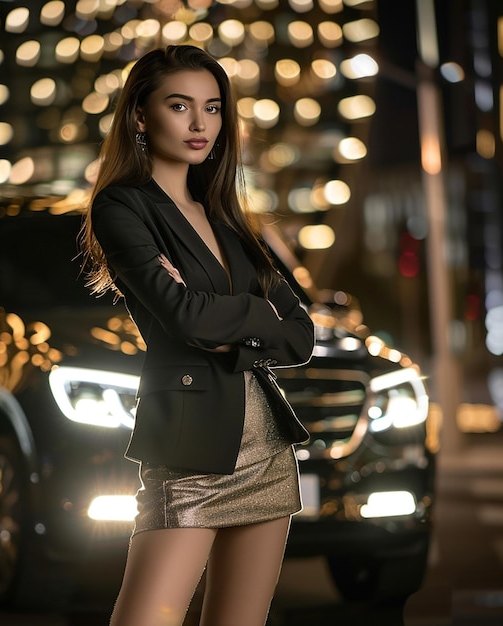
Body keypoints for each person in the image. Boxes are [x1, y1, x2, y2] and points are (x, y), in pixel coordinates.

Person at [79, 44, 315, 626]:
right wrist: (254, 315)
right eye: (179, 105)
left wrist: (225, 315)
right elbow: (183, 317)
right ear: (140, 114)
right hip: (190, 455)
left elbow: (301, 335)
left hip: (267, 452)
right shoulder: (122, 207)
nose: (198, 123)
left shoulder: (227, 215)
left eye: (211, 108)